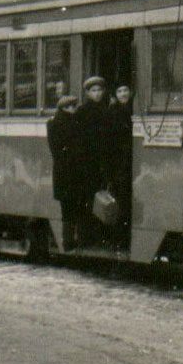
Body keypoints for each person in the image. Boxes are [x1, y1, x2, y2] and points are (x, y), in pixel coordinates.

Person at [74, 75, 111, 244]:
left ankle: (100, 234)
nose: (97, 94)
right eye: (93, 90)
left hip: (102, 160)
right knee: (88, 198)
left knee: (102, 197)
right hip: (87, 161)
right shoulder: (82, 111)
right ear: (88, 93)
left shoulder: (107, 110)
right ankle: (87, 235)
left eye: (99, 90)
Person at [47, 95, 88, 247]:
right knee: (69, 209)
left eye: (73, 106)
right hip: (66, 173)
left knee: (73, 208)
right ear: (63, 108)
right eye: (69, 107)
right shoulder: (55, 123)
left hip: (72, 172)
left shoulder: (75, 122)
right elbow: (56, 150)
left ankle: (73, 241)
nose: (72, 109)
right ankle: (69, 242)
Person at [104, 83, 134, 240]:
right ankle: (118, 237)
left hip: (129, 160)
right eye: (120, 91)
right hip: (118, 162)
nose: (123, 94)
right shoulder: (113, 112)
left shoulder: (133, 109)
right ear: (115, 94)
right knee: (120, 200)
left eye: (126, 90)